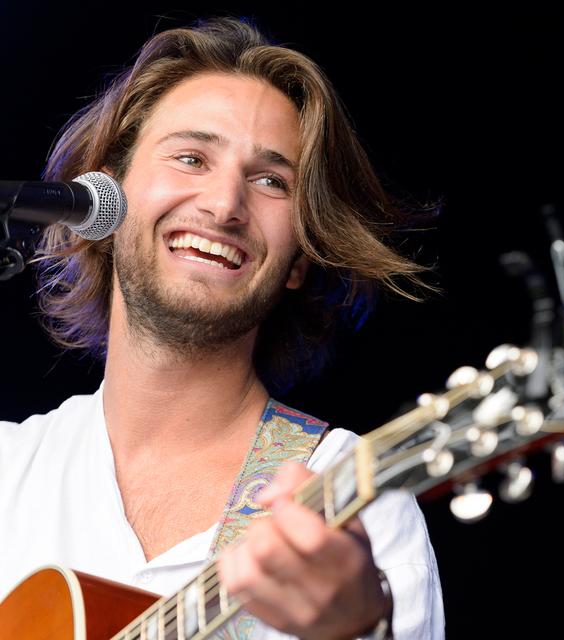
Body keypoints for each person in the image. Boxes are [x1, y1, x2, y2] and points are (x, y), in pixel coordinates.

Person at [0, 16, 444, 639]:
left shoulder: (351, 503)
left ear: (300, 258)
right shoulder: (8, 470)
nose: (224, 204)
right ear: (106, 195)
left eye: (271, 181)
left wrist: (356, 628)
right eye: (190, 157)